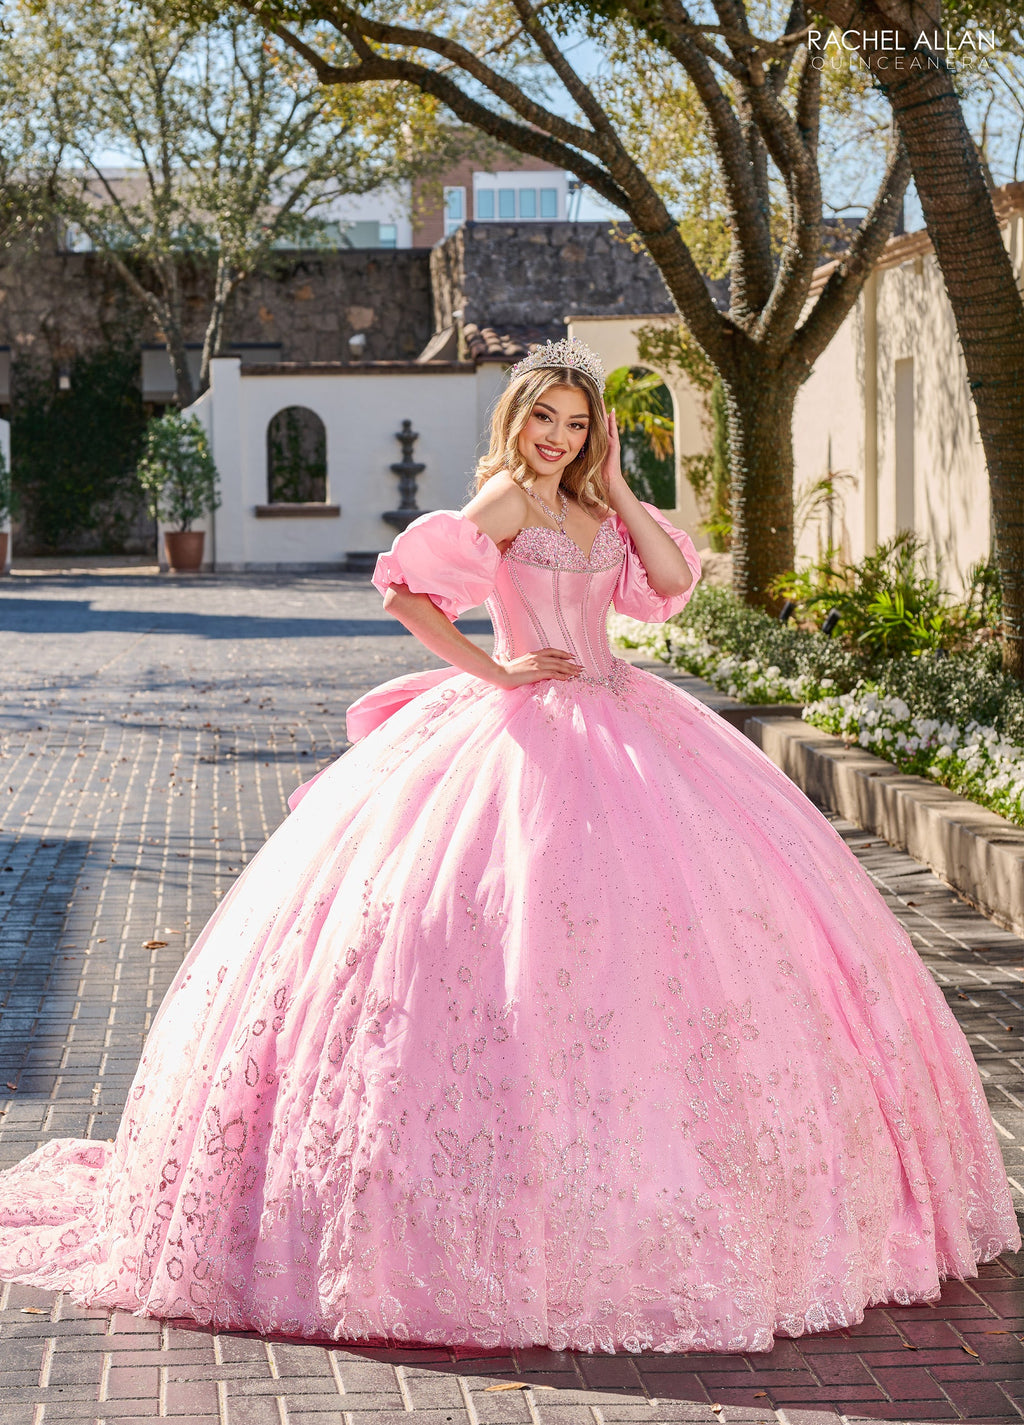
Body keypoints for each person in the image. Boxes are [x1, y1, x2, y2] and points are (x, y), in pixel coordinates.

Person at [0, 338, 1016, 1357]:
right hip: (527, 732)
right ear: (516, 419)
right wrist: (495, 673)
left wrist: (620, 485)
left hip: (629, 719)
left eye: (577, 424)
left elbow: (671, 580)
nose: (558, 438)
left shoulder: (597, 507)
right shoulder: (503, 502)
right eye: (545, 419)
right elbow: (403, 591)